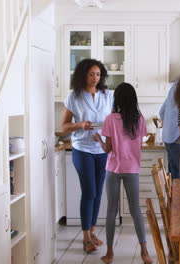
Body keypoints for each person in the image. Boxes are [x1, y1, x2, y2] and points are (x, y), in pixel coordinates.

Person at [92, 83, 153, 264]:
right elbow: (139, 145)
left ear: (117, 99)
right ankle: (145, 252)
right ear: (133, 99)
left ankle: (109, 254)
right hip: (132, 169)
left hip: (113, 169)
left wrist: (98, 139)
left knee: (111, 210)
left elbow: (107, 149)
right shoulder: (139, 119)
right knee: (136, 210)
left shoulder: (110, 119)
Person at [61, 59, 113, 253]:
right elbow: (64, 126)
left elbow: (114, 120)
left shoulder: (108, 95)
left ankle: (92, 232)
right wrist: (80, 125)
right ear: (83, 75)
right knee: (89, 191)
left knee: (98, 192)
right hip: (82, 149)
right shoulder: (73, 96)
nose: (95, 78)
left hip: (101, 149)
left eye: (98, 74)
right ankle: (85, 237)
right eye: (91, 74)